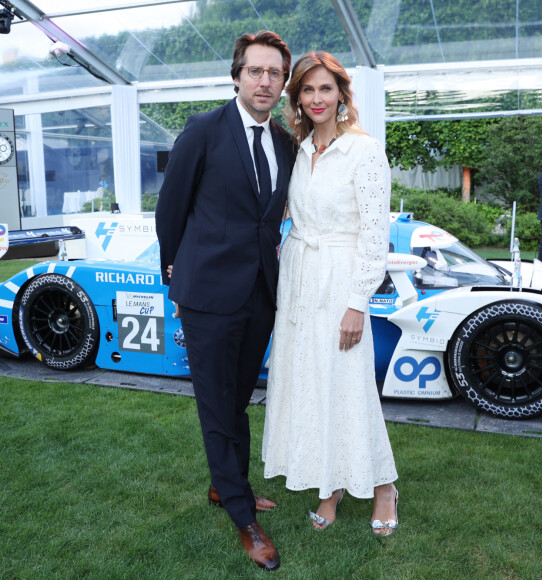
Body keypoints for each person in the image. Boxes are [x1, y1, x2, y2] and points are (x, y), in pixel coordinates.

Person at [155, 31, 295, 571]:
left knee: (237, 399)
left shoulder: (283, 142)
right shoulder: (203, 130)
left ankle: (225, 485)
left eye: (274, 74)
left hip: (260, 293)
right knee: (216, 405)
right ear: (237, 76)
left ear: (283, 82)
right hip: (208, 293)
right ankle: (243, 516)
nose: (265, 82)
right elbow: (172, 209)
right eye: (255, 71)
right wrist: (174, 270)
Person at [262, 52, 399, 537]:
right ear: (295, 97)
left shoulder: (364, 150)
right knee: (311, 386)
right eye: (307, 90)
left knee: (348, 387)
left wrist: (357, 303)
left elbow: (374, 234)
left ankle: (384, 485)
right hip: (298, 279)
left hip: (341, 281)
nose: (316, 98)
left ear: (341, 93)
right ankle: (330, 485)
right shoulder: (297, 150)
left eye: (325, 89)